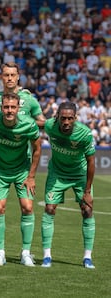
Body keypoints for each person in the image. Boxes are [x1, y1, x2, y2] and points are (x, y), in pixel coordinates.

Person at [0, 62, 45, 262]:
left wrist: (23, 122)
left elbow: (42, 121)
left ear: (18, 76)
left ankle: (25, 252)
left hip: (21, 163)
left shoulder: (28, 99)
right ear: (1, 77)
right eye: (5, 74)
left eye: (12, 75)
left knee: (27, 206)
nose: (9, 78)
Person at [41, 102, 96, 269]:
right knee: (49, 208)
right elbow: (36, 123)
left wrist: (87, 191)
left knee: (87, 210)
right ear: (57, 117)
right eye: (63, 118)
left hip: (79, 174)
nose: (66, 122)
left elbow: (91, 161)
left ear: (75, 118)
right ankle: (46, 256)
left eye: (70, 119)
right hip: (57, 173)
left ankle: (87, 257)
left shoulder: (84, 134)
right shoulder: (50, 126)